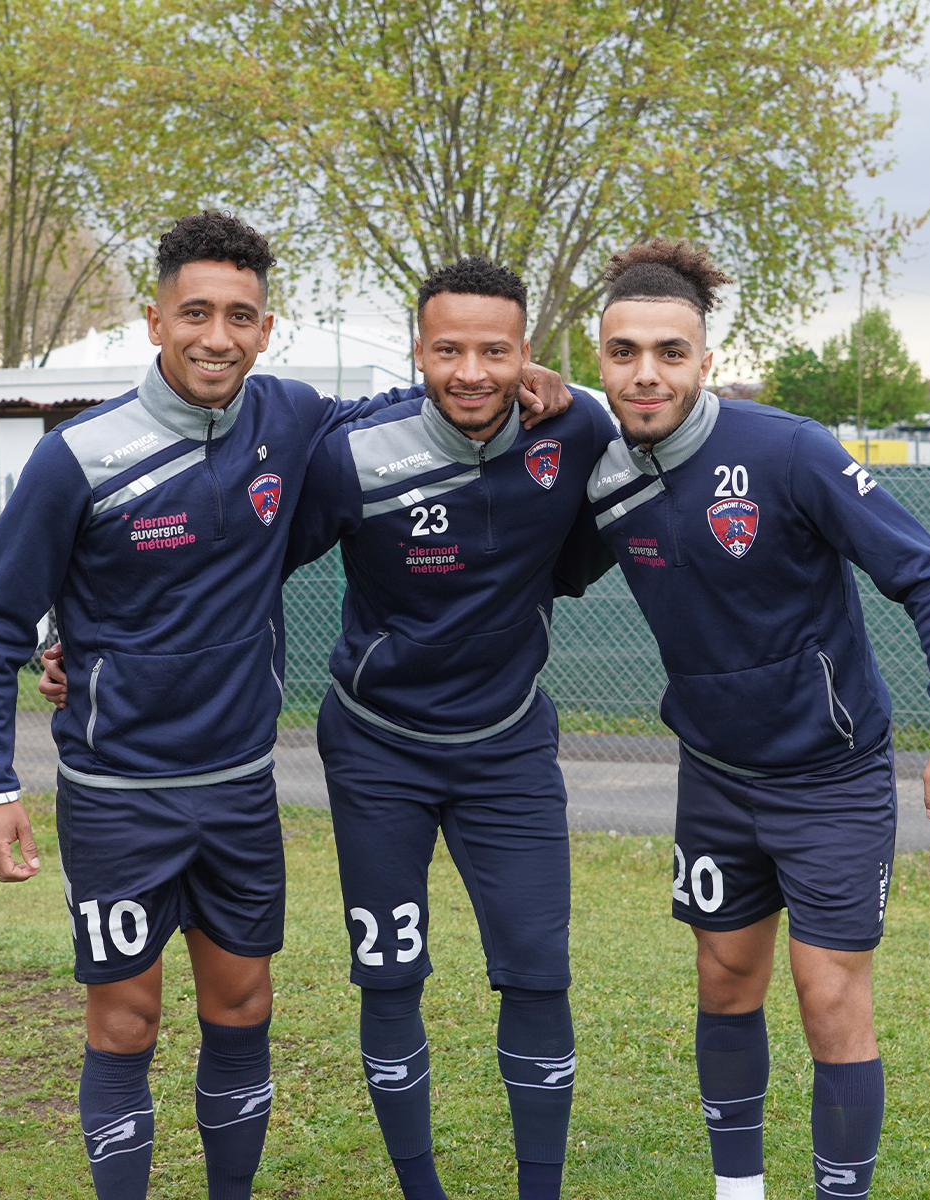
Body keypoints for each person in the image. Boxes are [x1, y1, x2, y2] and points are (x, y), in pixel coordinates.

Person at [0, 211, 567, 1200]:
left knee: (243, 1010)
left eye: (240, 316)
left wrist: (543, 384)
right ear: (154, 319)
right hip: (120, 797)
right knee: (126, 1023)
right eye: (195, 312)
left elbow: (429, 401)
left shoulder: (292, 421)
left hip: (241, 794)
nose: (216, 336)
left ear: (266, 329)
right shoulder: (79, 456)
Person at [572, 239, 930, 1200]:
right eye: (625, 351)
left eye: (670, 352)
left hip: (831, 777)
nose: (647, 372)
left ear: (705, 360)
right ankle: (740, 1190)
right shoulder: (599, 474)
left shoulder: (786, 449)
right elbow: (541, 570)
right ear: (598, 359)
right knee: (725, 983)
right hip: (715, 777)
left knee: (829, 995)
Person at [282, 257, 618, 1200]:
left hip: (507, 749)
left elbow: (631, 490)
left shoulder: (578, 428)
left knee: (539, 974)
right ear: (418, 351)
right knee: (389, 974)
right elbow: (238, 562)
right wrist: (79, 637)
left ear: (527, 354)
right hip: (375, 746)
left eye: (496, 351)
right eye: (449, 349)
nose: (472, 371)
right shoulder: (356, 451)